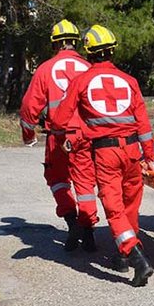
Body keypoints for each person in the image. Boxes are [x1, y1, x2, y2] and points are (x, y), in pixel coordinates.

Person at [48, 24, 154, 287]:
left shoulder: (81, 81)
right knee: (131, 205)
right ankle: (124, 254)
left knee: (114, 207)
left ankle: (135, 254)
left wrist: (65, 138)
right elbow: (143, 122)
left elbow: (60, 120)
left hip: (105, 153)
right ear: (112, 50)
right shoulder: (129, 81)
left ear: (89, 52)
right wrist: (149, 154)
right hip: (132, 151)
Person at [19, 19, 98, 252]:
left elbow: (28, 107)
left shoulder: (45, 69)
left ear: (55, 44)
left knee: (58, 181)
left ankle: (71, 221)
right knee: (85, 184)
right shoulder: (89, 67)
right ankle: (89, 232)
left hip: (58, 135)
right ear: (76, 42)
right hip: (85, 137)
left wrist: (28, 134)